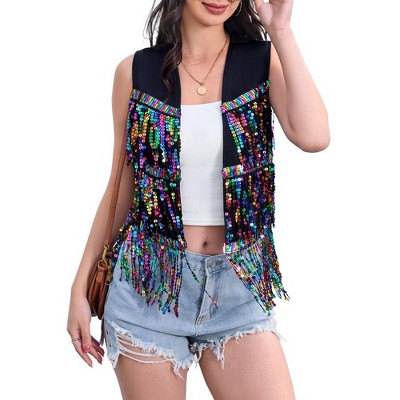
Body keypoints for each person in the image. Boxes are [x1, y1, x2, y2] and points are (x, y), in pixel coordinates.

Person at [67, 0, 329, 398]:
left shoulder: (262, 60)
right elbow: (121, 185)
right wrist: (80, 286)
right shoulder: (135, 71)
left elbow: (314, 137)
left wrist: (281, 31)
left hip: (238, 286)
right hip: (147, 285)